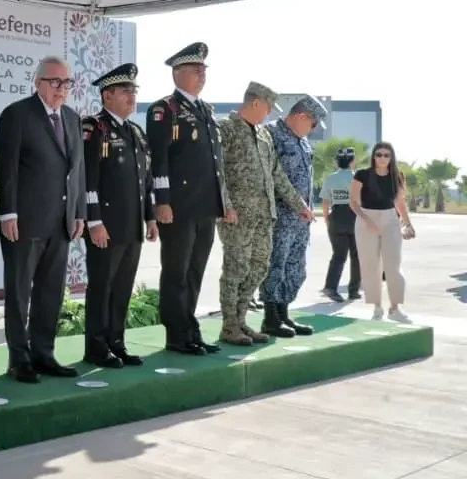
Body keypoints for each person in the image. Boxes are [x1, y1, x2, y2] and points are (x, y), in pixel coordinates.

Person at [0, 55, 85, 383]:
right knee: (19, 293)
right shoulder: (17, 114)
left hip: (61, 222)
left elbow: (78, 171)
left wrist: (79, 212)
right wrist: (7, 212)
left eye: (66, 83)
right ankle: (19, 359)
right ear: (38, 83)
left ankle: (44, 354)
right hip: (24, 222)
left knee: (51, 292)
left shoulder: (73, 119)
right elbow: (5, 169)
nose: (62, 89)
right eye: (55, 82)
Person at [145, 42, 234, 356]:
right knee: (176, 272)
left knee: (195, 271)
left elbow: (214, 163)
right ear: (177, 73)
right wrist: (162, 201)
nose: (201, 74)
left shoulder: (206, 110)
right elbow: (160, 160)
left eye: (204, 70)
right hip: (179, 207)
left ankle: (190, 328)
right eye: (195, 69)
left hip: (205, 207)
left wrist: (223, 202)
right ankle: (176, 334)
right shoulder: (164, 110)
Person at [214, 83, 312, 345]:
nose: (270, 114)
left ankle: (242, 321)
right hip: (236, 216)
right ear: (256, 103)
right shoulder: (226, 129)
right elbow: (216, 172)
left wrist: (299, 205)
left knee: (258, 268)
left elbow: (277, 176)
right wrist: (225, 206)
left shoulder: (264, 135)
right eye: (268, 108)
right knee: (236, 269)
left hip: (263, 216)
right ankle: (229, 326)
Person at [80, 63, 154, 368]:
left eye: (134, 91)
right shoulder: (93, 128)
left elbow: (144, 180)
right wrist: (94, 222)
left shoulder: (134, 131)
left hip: (131, 226)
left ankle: (117, 342)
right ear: (107, 95)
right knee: (102, 287)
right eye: (125, 91)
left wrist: (150, 218)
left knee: (122, 288)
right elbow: (88, 180)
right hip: (106, 227)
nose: (131, 96)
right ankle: (96, 347)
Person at [263, 95, 326, 336]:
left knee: (295, 268)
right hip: (280, 216)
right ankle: (270, 318)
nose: (314, 129)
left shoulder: (302, 141)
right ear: (301, 116)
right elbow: (271, 176)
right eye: (313, 124)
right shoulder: (270, 135)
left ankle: (284, 314)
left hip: (301, 219)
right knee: (275, 266)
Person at [350, 142, 414, 321]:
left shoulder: (398, 176)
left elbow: (399, 203)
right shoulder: (362, 174)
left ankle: (395, 308)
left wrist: (408, 224)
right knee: (371, 265)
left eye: (387, 155)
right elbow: (353, 202)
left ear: (391, 157)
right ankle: (377, 307)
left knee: (393, 264)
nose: (383, 158)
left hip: (390, 220)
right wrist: (367, 221)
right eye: (379, 154)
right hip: (366, 219)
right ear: (374, 156)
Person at [320, 147, 362, 302]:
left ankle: (330, 287)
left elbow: (325, 202)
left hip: (336, 216)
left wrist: (327, 219)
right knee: (357, 256)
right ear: (352, 161)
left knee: (338, 256)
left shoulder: (330, 178)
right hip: (354, 216)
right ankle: (353, 290)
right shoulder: (357, 177)